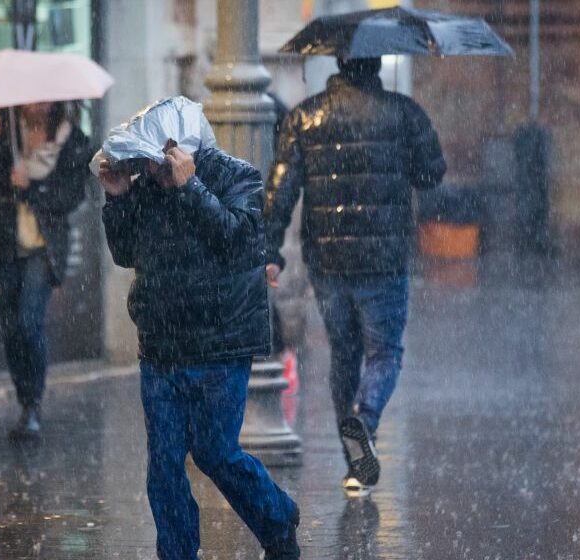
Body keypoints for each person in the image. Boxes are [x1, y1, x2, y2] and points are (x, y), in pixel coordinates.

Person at [97, 97, 300, 560]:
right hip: (161, 345)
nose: (151, 166)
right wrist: (118, 197)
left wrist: (191, 189)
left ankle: (277, 518)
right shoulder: (145, 186)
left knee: (215, 453)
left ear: (181, 146)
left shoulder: (237, 176)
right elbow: (126, 252)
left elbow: (241, 241)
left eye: (158, 154)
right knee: (164, 466)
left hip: (220, 344)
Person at [265, 56, 446, 497]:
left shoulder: (305, 116)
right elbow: (432, 174)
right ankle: (363, 422)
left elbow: (281, 186)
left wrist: (269, 249)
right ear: (377, 65)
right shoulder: (404, 112)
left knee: (344, 355)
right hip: (383, 258)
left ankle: (354, 468)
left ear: (339, 65)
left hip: (327, 259)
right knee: (384, 352)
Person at [0, 102, 91, 439]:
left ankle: (33, 403)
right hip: (2, 241)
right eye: (30, 97)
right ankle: (23, 397)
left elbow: (72, 197)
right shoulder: (1, 123)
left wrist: (32, 188)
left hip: (44, 246)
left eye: (43, 96)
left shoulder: (72, 139)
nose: (35, 104)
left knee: (29, 320)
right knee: (11, 326)